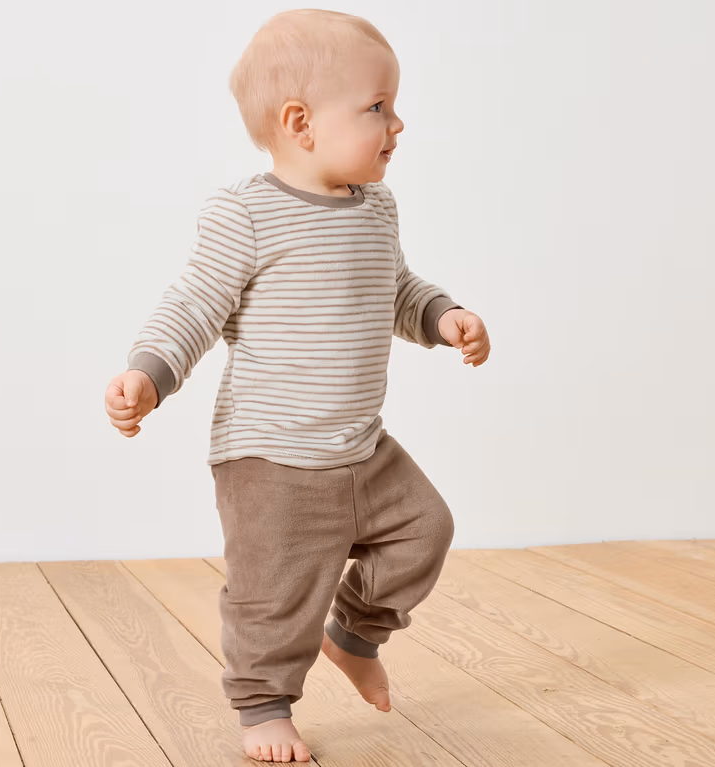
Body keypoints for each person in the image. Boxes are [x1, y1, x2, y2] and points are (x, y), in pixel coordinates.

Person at [105, 9, 490, 763]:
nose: (398, 123)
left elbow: (395, 288)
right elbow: (195, 303)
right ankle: (263, 705)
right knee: (272, 594)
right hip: (270, 458)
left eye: (394, 105)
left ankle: (353, 635)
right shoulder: (247, 214)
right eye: (377, 106)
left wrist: (442, 316)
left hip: (363, 448)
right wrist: (149, 373)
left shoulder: (376, 208)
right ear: (300, 123)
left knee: (426, 529)